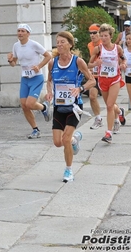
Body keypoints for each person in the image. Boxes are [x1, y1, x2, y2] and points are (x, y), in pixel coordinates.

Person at [45, 31, 96, 182]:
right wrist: (49, 92)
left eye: (62, 42)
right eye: (57, 42)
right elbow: (49, 81)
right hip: (59, 107)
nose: (59, 44)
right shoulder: (52, 62)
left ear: (70, 44)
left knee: (65, 139)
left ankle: (68, 170)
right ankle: (75, 139)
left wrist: (80, 89)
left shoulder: (78, 62)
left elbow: (92, 81)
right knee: (57, 142)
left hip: (74, 107)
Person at [7, 23, 52, 139]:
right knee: (24, 106)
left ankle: (44, 107)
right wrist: (10, 60)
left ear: (28, 33)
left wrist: (39, 66)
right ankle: (35, 129)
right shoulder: (16, 46)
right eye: (19, 31)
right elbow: (13, 63)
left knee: (30, 104)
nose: (20, 33)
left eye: (23, 31)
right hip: (25, 78)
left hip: (36, 78)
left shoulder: (33, 44)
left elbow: (48, 56)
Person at [89, 23, 127, 143]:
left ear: (111, 36)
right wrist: (95, 64)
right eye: (102, 35)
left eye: (105, 35)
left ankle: (108, 133)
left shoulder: (117, 48)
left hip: (115, 79)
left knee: (109, 106)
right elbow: (88, 64)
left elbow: (124, 58)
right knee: (110, 105)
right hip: (102, 79)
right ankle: (120, 112)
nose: (103, 38)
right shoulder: (98, 49)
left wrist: (123, 64)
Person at [87, 24, 103, 129]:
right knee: (92, 96)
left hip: (106, 76)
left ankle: (119, 113)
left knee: (110, 103)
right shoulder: (90, 45)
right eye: (90, 33)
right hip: (95, 76)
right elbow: (90, 62)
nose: (92, 35)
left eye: (95, 32)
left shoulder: (104, 44)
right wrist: (92, 66)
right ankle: (98, 119)